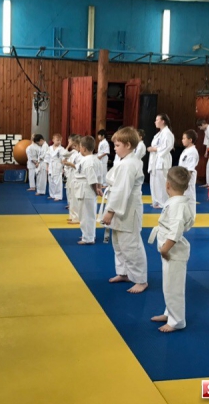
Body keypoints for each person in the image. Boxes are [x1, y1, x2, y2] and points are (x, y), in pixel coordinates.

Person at [102, 128, 148, 294]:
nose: (114, 148)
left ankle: (141, 280)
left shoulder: (129, 164)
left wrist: (110, 211)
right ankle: (124, 273)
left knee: (131, 245)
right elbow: (118, 185)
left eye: (117, 145)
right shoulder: (127, 161)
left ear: (128, 145)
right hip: (122, 206)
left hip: (127, 209)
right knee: (118, 243)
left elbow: (122, 190)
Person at [149, 167, 194, 331]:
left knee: (174, 288)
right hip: (171, 251)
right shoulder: (176, 201)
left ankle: (177, 321)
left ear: (167, 185)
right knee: (169, 286)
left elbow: (175, 231)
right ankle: (170, 313)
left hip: (173, 252)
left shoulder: (177, 205)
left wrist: (164, 250)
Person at [72, 136, 102, 244]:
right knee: (89, 214)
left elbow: (92, 179)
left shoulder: (88, 161)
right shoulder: (96, 159)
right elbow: (99, 177)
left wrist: (96, 189)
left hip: (86, 189)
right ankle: (89, 235)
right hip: (86, 189)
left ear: (84, 148)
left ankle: (88, 238)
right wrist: (99, 188)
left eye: (80, 147)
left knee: (85, 215)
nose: (79, 149)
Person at [147, 114, 175, 209]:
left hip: (162, 160)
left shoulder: (167, 133)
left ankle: (164, 202)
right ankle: (156, 201)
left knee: (162, 182)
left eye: (157, 120)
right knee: (154, 182)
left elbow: (168, 146)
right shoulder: (159, 133)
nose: (155, 122)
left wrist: (155, 149)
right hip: (155, 161)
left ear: (163, 121)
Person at [178, 130, 199, 218]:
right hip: (182, 177)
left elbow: (190, 169)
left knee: (189, 197)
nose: (182, 140)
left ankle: (191, 217)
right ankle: (185, 216)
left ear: (190, 140)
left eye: (184, 138)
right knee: (183, 198)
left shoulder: (193, 152)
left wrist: (184, 181)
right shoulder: (186, 150)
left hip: (187, 178)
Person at [63, 136, 82, 223]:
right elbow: (64, 154)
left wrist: (69, 164)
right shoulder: (74, 152)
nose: (74, 147)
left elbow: (79, 167)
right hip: (71, 176)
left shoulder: (81, 156)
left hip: (76, 177)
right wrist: (66, 163)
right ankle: (72, 216)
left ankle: (76, 218)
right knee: (71, 198)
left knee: (75, 199)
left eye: (75, 145)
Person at [47, 133, 67, 201]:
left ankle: (58, 196)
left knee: (57, 181)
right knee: (51, 181)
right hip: (51, 165)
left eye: (60, 140)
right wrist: (47, 167)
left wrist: (63, 168)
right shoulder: (49, 148)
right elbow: (47, 158)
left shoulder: (61, 149)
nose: (59, 141)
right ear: (53, 140)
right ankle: (52, 194)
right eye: (57, 140)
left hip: (58, 165)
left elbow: (63, 159)